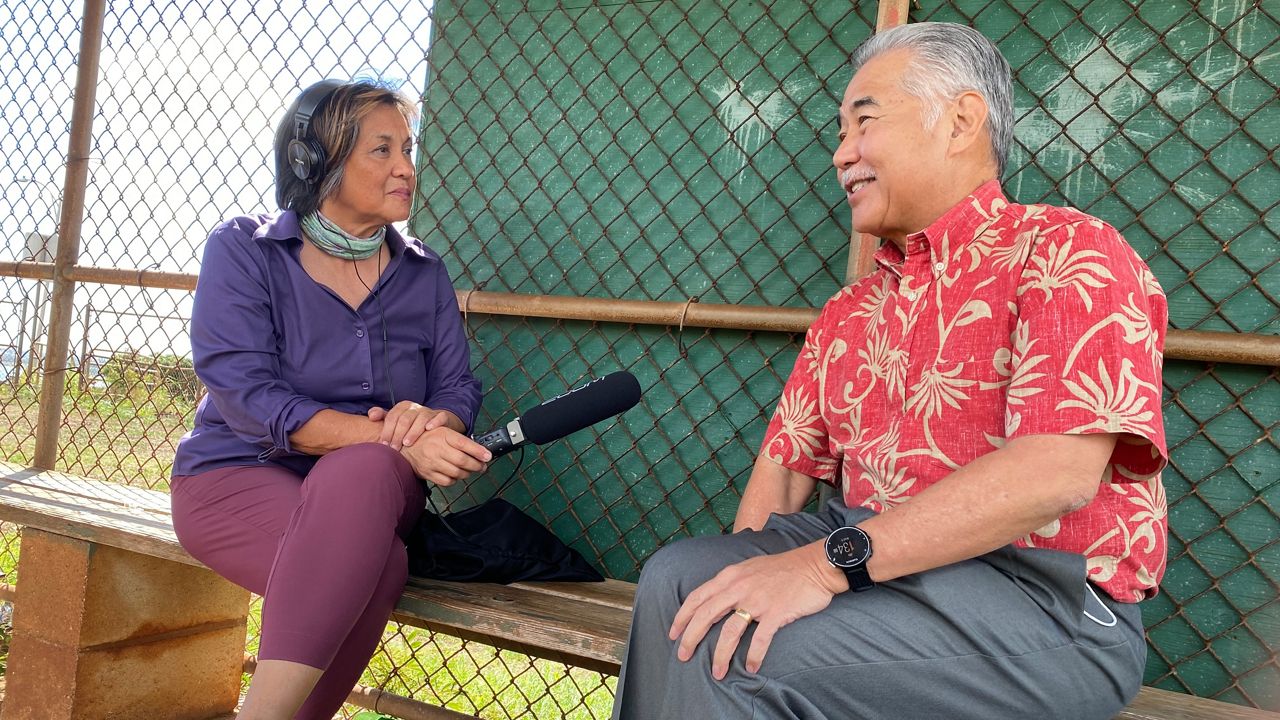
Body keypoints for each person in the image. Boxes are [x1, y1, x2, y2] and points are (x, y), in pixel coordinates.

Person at [612, 22, 1167, 720]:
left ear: (962, 121)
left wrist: (821, 566)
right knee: (678, 585)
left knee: (743, 661)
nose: (843, 154)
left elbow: (1053, 475)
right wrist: (742, 580)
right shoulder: (850, 309)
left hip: (1044, 608)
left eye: (864, 122)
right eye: (839, 133)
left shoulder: (1067, 252)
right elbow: (782, 477)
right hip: (881, 575)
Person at [170, 79, 490, 720]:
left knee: (367, 472)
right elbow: (247, 395)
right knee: (378, 567)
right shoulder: (246, 249)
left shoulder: (423, 273)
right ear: (315, 160)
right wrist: (397, 437)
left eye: (408, 147)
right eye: (382, 150)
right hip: (235, 478)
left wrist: (436, 420)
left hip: (375, 492)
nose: (406, 166)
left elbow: (458, 386)